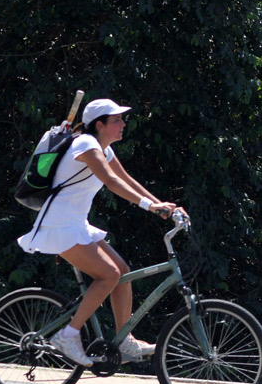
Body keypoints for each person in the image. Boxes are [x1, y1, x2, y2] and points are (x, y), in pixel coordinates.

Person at [17, 98, 179, 367]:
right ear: (99, 125)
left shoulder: (103, 149)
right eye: (116, 120)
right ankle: (68, 335)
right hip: (59, 224)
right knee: (109, 275)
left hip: (76, 224)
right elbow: (111, 181)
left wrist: (163, 206)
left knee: (123, 272)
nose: (123, 124)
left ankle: (125, 341)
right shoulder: (86, 145)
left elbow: (127, 180)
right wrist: (151, 207)